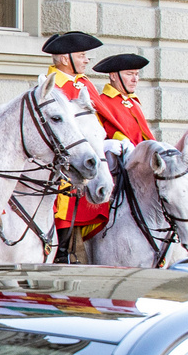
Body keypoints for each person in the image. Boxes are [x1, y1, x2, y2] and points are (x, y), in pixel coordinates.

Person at [70, 52, 155, 241]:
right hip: (115, 169)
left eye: (137, 74)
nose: (135, 79)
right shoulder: (104, 101)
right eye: (129, 74)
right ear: (114, 76)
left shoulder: (133, 103)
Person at [42, 31, 105, 258]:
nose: (87, 60)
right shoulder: (51, 87)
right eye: (82, 55)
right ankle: (61, 251)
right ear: (65, 59)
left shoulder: (84, 84)